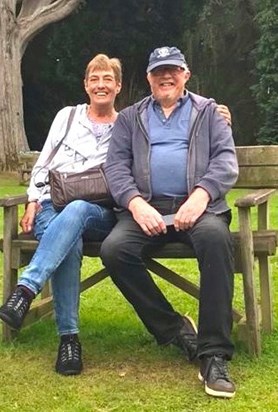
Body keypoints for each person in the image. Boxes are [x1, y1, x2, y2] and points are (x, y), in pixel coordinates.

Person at [100, 46, 238, 398]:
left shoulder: (208, 112)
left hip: (199, 206)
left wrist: (202, 195)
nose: (166, 76)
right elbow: (115, 167)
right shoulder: (130, 118)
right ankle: (175, 329)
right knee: (115, 250)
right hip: (147, 208)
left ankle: (213, 353)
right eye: (158, 71)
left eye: (173, 70)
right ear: (148, 78)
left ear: (185, 75)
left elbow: (225, 160)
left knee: (216, 240)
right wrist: (134, 204)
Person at [0, 54, 122, 376]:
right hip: (52, 205)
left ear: (117, 86)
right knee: (70, 239)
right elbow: (44, 163)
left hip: (99, 212)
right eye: (94, 79)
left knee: (78, 210)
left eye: (107, 78)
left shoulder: (125, 126)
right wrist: (32, 201)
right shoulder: (67, 117)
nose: (100, 85)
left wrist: (217, 116)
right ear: (85, 85)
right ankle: (70, 342)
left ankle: (25, 290)